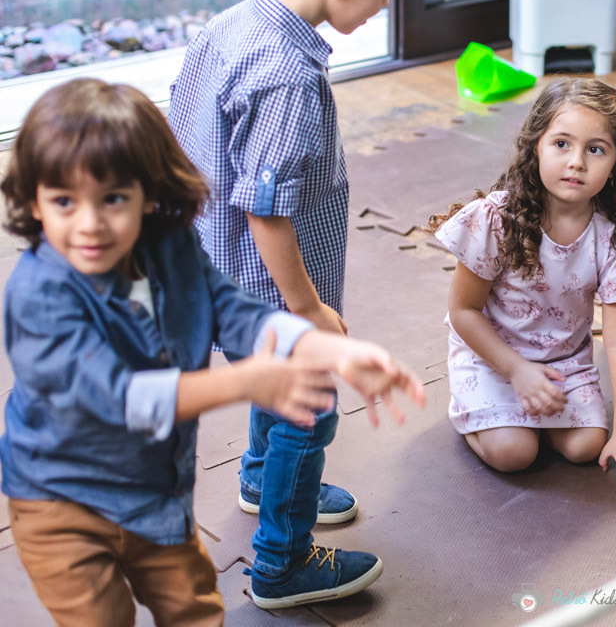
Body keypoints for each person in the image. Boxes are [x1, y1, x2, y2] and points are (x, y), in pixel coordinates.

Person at [0, 80, 426, 626]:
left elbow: (230, 307)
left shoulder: (168, 245)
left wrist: (318, 345)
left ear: (149, 194)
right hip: (63, 507)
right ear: (34, 200)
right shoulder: (39, 295)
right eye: (63, 201)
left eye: (112, 199)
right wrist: (248, 384)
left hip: (157, 491)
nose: (89, 223)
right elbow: (120, 397)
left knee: (195, 605)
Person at [166, 0, 429, 607]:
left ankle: (257, 479)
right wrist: (310, 309)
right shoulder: (289, 76)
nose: (385, 5)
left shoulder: (231, 24)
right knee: (308, 409)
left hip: (212, 266)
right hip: (268, 286)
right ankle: (281, 561)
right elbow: (267, 209)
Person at [429, 78, 616, 484]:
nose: (576, 162)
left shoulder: (614, 238)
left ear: (614, 167)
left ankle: (527, 417)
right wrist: (517, 370)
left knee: (587, 446)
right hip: (492, 358)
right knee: (513, 453)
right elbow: (463, 311)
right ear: (535, 145)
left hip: (563, 364)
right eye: (561, 144)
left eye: (595, 149)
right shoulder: (495, 220)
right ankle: (475, 411)